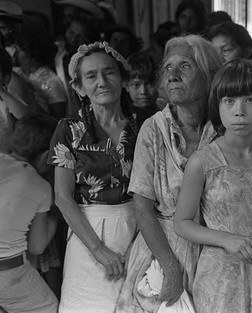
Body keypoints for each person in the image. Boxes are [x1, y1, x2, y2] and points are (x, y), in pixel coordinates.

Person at [115, 34, 222, 313]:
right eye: (168, 68)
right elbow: (142, 207)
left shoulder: (225, 127)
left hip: (214, 252)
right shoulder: (154, 128)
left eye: (185, 66)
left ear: (209, 75)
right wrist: (170, 269)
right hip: (163, 251)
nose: (172, 76)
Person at [174, 59, 252, 312]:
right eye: (229, 101)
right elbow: (181, 223)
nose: (240, 110)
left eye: (250, 100)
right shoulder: (203, 161)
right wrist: (226, 239)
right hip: (221, 281)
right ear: (218, 106)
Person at [48, 41, 140, 313]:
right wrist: (98, 249)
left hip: (137, 226)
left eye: (109, 72)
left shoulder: (143, 125)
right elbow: (63, 198)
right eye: (91, 76)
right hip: (87, 231)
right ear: (79, 88)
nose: (102, 81)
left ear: (123, 79)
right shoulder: (69, 130)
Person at [0, 115, 59, 313]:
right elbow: (37, 246)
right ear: (45, 157)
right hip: (7, 272)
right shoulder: (41, 187)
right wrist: (56, 214)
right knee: (48, 307)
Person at [13, 19, 68, 120]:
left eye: (18, 50)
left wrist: (30, 99)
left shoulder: (51, 82)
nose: (15, 54)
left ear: (31, 53)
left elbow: (57, 122)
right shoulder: (18, 72)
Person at [125, 52, 159, 120]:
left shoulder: (165, 112)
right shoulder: (126, 119)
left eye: (149, 84)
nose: (143, 91)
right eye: (136, 85)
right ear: (126, 86)